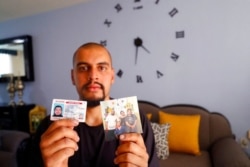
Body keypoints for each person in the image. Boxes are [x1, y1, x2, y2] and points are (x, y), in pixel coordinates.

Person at [29, 42, 158, 167]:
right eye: (83, 68)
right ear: (73, 77)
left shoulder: (133, 118)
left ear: (112, 76)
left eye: (102, 68)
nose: (93, 76)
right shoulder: (51, 126)